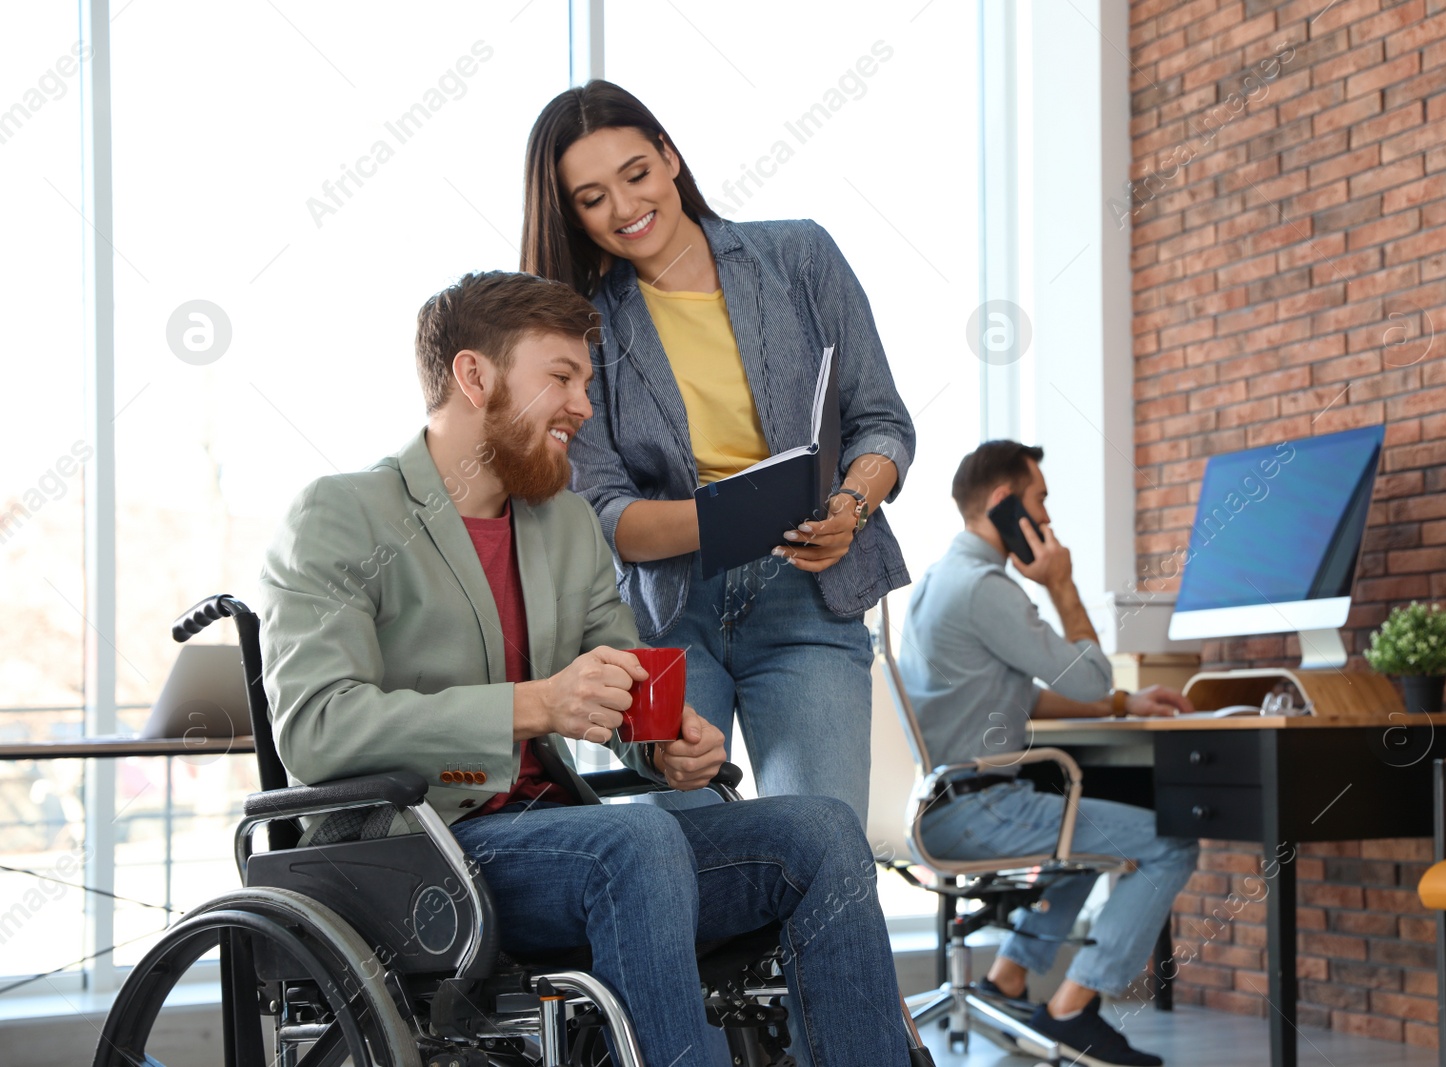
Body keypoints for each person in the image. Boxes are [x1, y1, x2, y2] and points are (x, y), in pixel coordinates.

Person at [257, 270, 917, 1067]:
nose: (584, 406)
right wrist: (531, 706)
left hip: (568, 839)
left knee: (819, 829)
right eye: (561, 378)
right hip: (411, 851)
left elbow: (624, 674)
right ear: (475, 376)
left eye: (586, 381)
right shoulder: (342, 513)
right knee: (634, 840)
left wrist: (667, 737)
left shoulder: (564, 521)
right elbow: (318, 730)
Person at [519, 80, 915, 825]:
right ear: (571, 214)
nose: (627, 208)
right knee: (687, 871)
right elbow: (604, 513)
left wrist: (852, 505)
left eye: (636, 174)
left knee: (824, 847)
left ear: (669, 157)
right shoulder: (583, 328)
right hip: (665, 621)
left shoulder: (798, 256)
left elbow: (881, 421)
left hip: (808, 595)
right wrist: (743, 515)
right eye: (592, 197)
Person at [898, 440, 1200, 1067]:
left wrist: (1123, 705)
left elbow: (1018, 701)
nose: (1049, 521)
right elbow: (1086, 676)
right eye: (1041, 501)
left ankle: (1007, 980)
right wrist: (1062, 583)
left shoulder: (937, 581)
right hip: (976, 808)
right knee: (1170, 842)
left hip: (939, 803)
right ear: (1007, 505)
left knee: (1086, 839)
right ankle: (1071, 1010)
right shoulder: (987, 589)